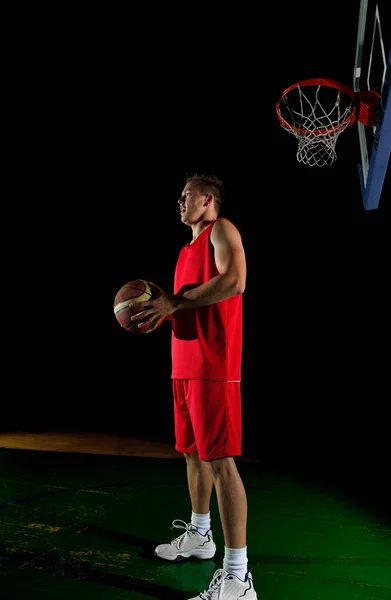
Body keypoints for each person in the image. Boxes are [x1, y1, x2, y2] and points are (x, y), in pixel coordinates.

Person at [129, 173, 257, 600]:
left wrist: (176, 302)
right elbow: (186, 302)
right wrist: (162, 310)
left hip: (213, 366)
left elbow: (235, 280)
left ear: (207, 199)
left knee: (221, 461)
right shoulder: (185, 250)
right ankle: (201, 535)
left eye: (186, 196)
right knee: (191, 453)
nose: (179, 202)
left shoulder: (222, 229)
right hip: (182, 366)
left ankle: (238, 578)